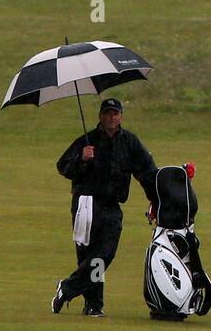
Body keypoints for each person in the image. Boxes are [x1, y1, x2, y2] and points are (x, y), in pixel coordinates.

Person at [51, 97, 157, 317]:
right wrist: (82, 159)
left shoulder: (129, 141)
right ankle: (94, 305)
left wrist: (156, 197)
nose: (112, 117)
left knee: (105, 253)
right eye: (108, 113)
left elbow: (146, 171)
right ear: (100, 116)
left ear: (121, 117)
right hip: (86, 204)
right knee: (88, 255)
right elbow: (63, 167)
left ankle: (68, 288)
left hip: (112, 205)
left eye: (115, 113)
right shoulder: (86, 141)